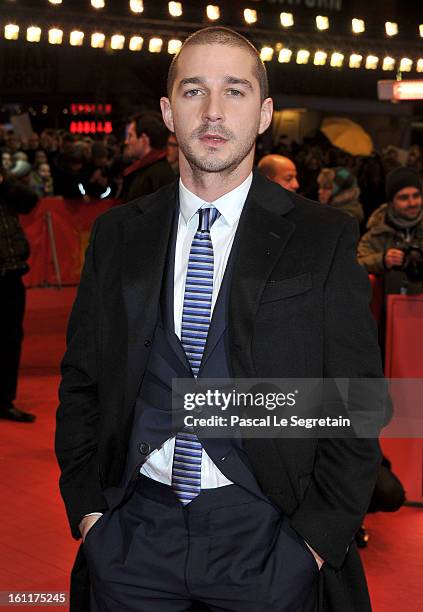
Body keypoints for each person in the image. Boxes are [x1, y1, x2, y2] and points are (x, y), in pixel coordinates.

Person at [56, 26, 384, 612]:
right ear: (167, 111)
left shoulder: (323, 238)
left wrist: (312, 541)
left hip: (267, 533)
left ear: (263, 114)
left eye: (234, 92)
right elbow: (83, 381)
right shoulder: (118, 235)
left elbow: (355, 400)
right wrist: (90, 513)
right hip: (133, 535)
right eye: (193, 91)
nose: (212, 112)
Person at [0, 163, 38, 422]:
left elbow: (29, 201)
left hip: (10, 272)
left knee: (10, 338)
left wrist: (4, 181)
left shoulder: (5, 180)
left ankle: (4, 400)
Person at [358, 167, 423, 294]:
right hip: (392, 309)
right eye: (404, 198)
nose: (412, 203)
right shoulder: (377, 232)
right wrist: (382, 260)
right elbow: (355, 263)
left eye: (416, 196)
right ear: (391, 202)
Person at [120, 110, 175, 202]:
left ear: (144, 140)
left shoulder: (156, 176)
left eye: (130, 136)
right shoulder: (149, 171)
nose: (126, 141)